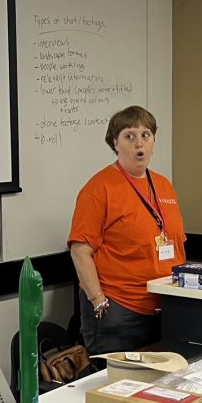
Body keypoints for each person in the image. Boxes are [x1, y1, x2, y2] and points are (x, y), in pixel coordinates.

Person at [67, 106, 186, 355]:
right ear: (115, 143)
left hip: (164, 306)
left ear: (153, 141)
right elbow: (80, 251)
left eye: (145, 135)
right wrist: (98, 301)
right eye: (129, 136)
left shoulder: (163, 185)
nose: (139, 143)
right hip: (119, 310)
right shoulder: (98, 188)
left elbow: (175, 244)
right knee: (116, 379)